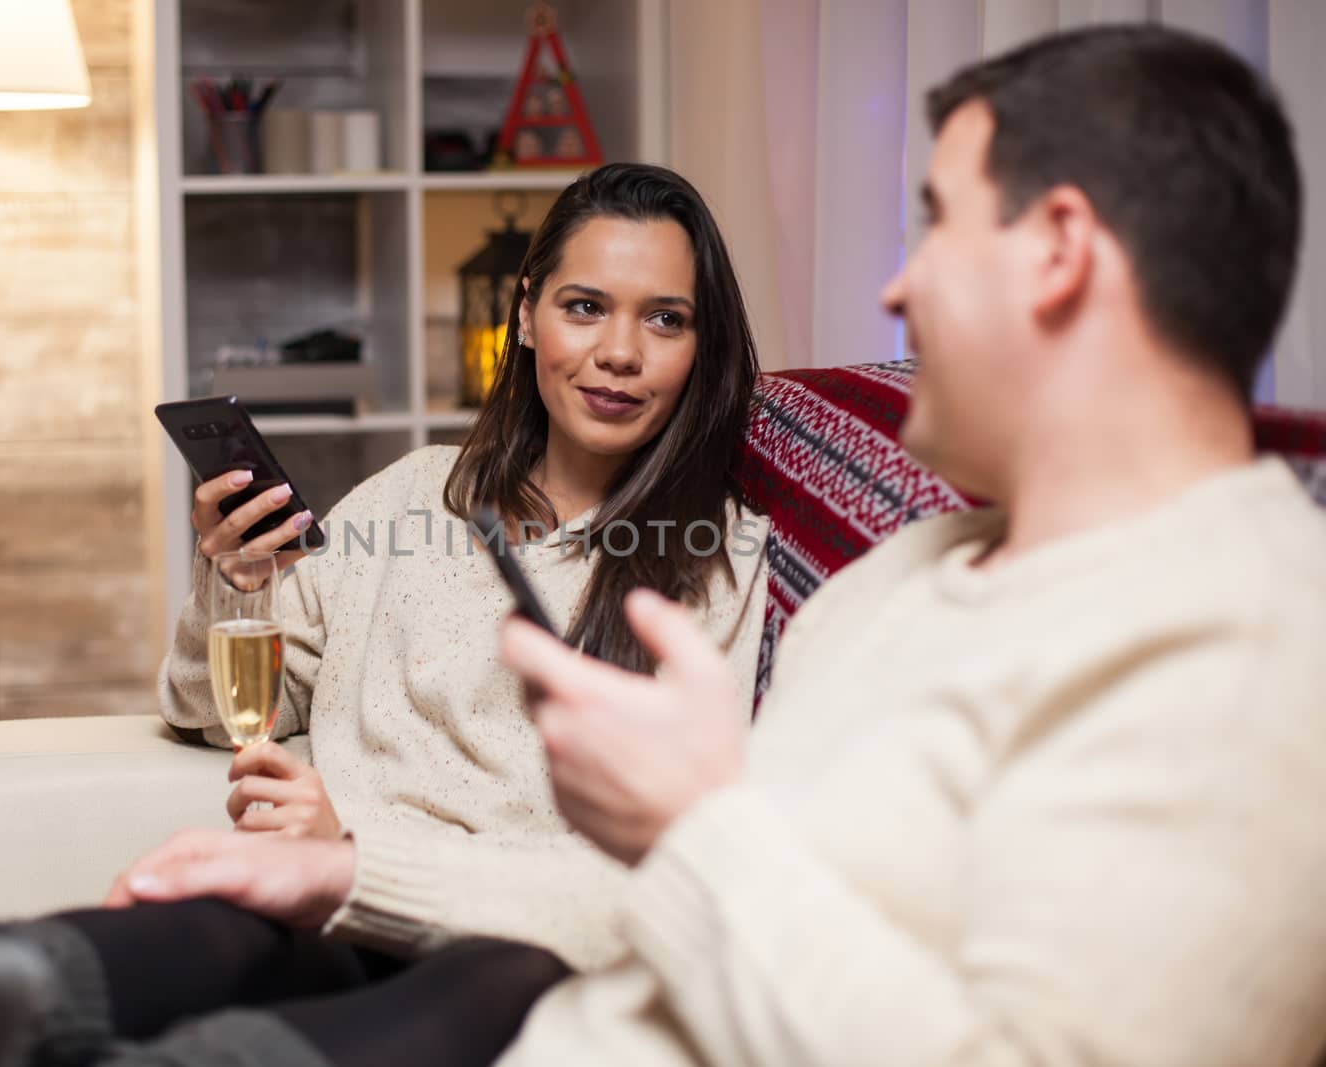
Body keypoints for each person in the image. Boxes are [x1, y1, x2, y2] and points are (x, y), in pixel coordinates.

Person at [0, 162, 769, 1067]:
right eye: (585, 306)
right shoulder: (410, 494)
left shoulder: (712, 564)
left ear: (699, 343)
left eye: (665, 319)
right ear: (524, 314)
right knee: (219, 918)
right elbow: (213, 709)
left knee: (499, 977)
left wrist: (353, 852)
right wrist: (237, 582)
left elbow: (650, 859)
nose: (619, 353)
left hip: (519, 946)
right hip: (324, 910)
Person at [491, 24, 1326, 1067]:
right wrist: (344, 877)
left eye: (933, 226)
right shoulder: (903, 570)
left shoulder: (1257, 653)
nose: (896, 290)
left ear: (1058, 252)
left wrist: (691, 827)